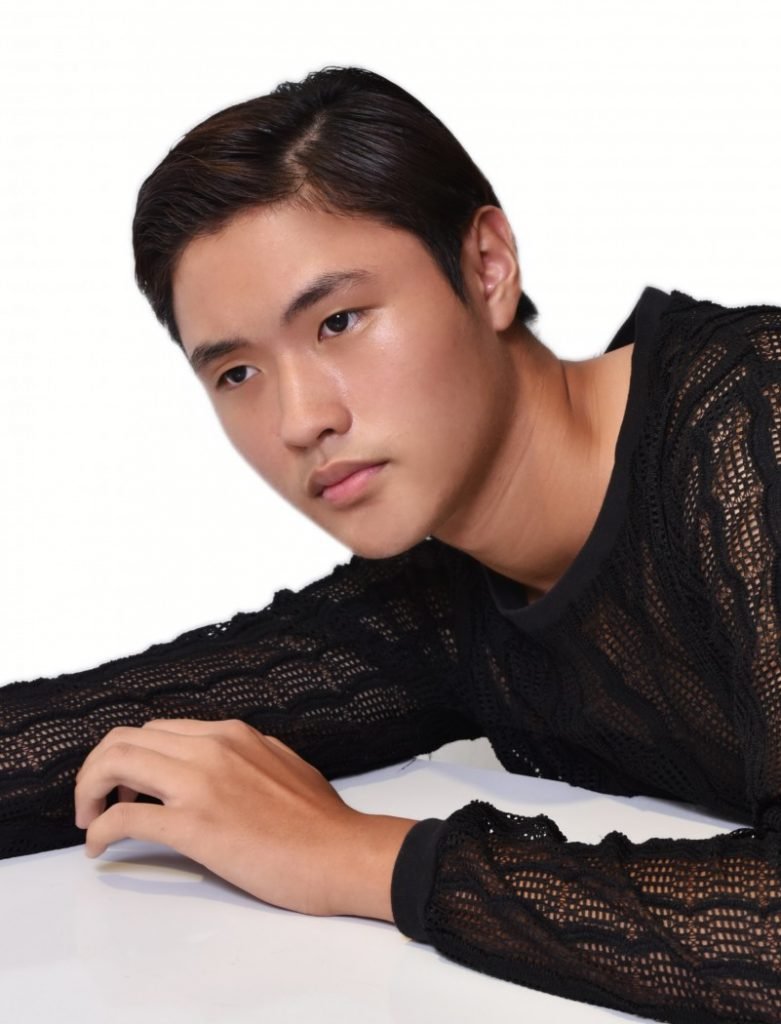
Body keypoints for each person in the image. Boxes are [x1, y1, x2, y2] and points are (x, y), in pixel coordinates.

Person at [2, 64, 781, 1024]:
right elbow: (73, 741)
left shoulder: (750, 424)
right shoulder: (441, 598)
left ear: (486, 267)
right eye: (237, 372)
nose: (299, 419)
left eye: (339, 321)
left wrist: (356, 855)